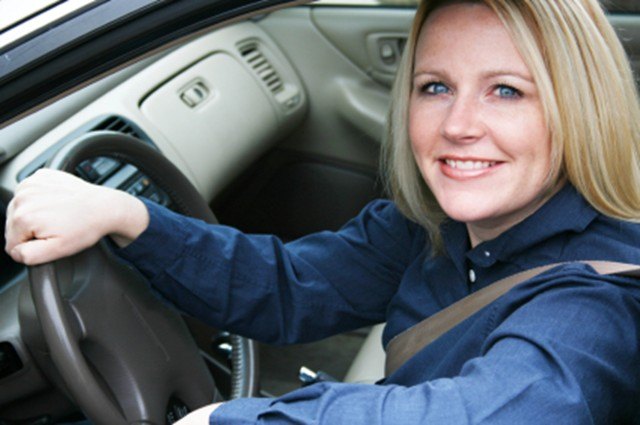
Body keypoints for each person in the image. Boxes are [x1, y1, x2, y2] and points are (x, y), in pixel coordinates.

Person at [6, 0, 640, 423]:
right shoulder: (427, 227)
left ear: (578, 111)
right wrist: (130, 217)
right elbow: (290, 287)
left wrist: (231, 419)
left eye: (506, 91)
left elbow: (481, 414)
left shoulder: (597, 300)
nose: (459, 125)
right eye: (435, 87)